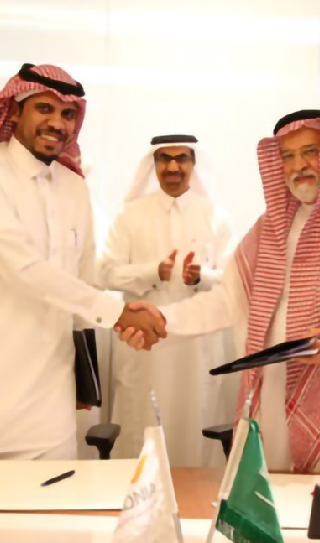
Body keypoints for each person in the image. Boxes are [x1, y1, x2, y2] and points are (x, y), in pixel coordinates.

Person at [121, 110, 320, 474]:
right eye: (288, 156)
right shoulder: (271, 228)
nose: (298, 165)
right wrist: (163, 318)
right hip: (276, 412)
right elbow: (228, 300)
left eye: (310, 151)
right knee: (277, 507)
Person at [0, 63, 165, 460]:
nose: (58, 123)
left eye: (68, 114)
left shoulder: (74, 186)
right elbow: (21, 267)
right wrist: (118, 314)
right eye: (44, 109)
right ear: (15, 111)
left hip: (49, 391)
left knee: (51, 492)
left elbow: (83, 280)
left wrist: (86, 375)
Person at [101, 134, 236, 466]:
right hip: (143, 348)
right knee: (141, 424)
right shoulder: (130, 216)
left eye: (181, 158)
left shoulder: (216, 217)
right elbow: (104, 273)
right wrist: (152, 272)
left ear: (193, 163)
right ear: (154, 163)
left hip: (197, 350)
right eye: (164, 158)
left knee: (197, 420)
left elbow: (235, 281)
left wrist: (201, 277)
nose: (173, 167)